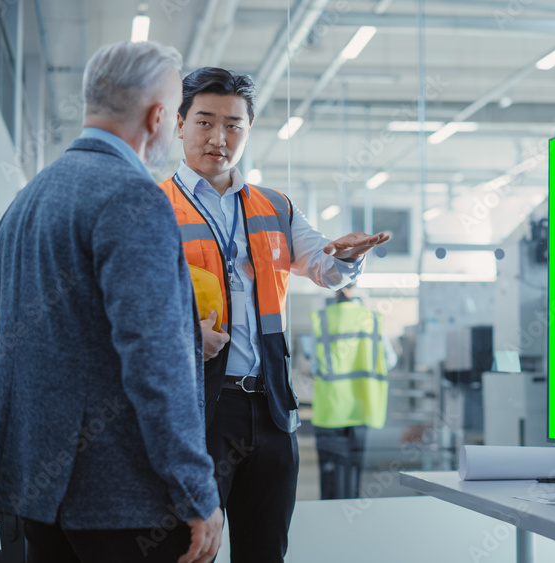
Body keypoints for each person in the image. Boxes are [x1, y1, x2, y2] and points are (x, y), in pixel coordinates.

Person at [0, 42, 223, 562]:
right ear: (159, 118)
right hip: (121, 502)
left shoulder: (27, 200)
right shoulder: (133, 198)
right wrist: (196, 489)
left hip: (39, 494)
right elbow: (156, 361)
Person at [159, 67, 389, 562]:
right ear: (179, 125)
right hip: (197, 410)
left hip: (270, 411)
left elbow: (326, 268)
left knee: (265, 552)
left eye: (233, 125)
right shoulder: (150, 207)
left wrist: (348, 255)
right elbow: (120, 311)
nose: (219, 138)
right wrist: (178, 336)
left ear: (248, 129)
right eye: (205, 122)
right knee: (185, 551)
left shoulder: (274, 206)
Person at [311, 284, 397, 499]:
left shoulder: (322, 319)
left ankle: (331, 522)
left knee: (331, 477)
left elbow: (316, 367)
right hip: (363, 408)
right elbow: (390, 360)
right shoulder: (373, 319)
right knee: (355, 473)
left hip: (331, 409)